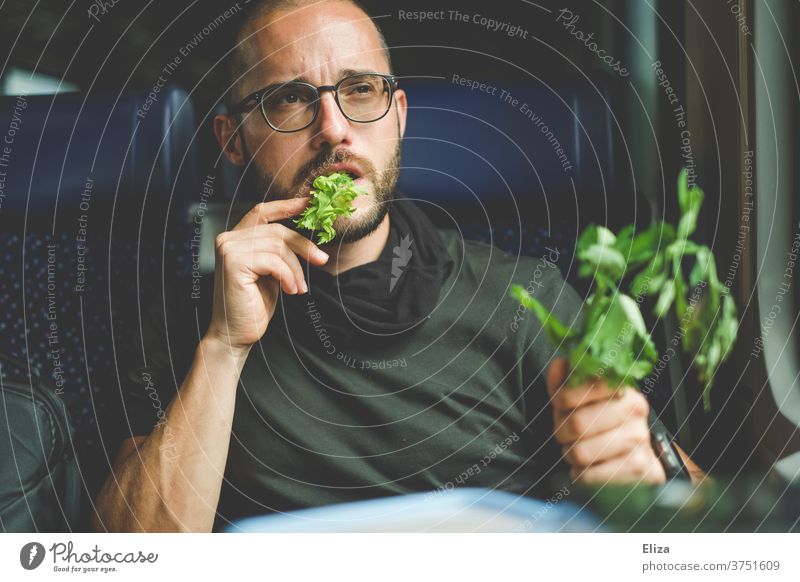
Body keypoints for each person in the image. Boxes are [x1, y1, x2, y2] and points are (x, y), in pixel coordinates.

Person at [92, 0, 702, 533]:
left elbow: (689, 510)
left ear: (399, 114)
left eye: (360, 90)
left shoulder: (525, 300)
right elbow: (131, 556)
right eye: (289, 100)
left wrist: (654, 476)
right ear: (233, 140)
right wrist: (224, 347)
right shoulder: (190, 323)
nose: (334, 131)